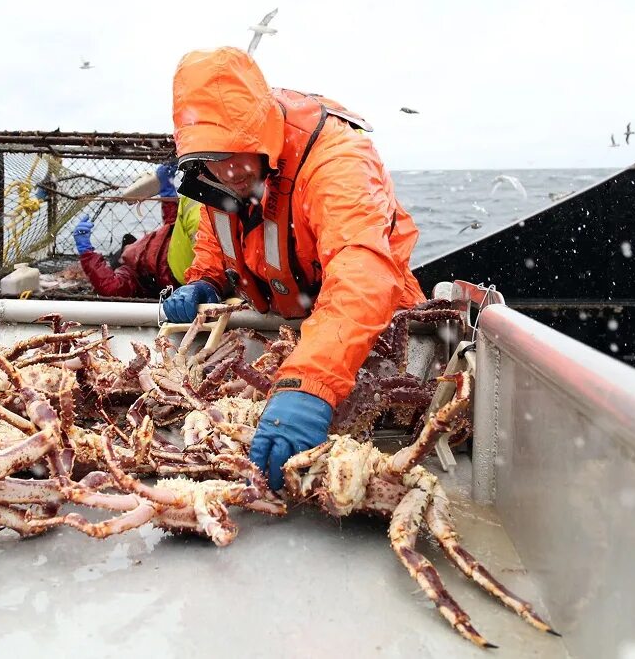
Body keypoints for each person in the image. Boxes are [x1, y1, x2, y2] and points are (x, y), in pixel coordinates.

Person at [161, 46, 424, 490]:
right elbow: (216, 233)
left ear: (262, 137)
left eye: (235, 157)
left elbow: (363, 269)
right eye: (211, 161)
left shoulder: (337, 160)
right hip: (285, 338)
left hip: (377, 342)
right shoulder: (219, 175)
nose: (226, 174)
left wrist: (313, 382)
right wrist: (204, 280)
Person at [72, 162, 201, 298]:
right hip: (182, 270)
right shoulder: (132, 272)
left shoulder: (148, 249)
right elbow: (111, 288)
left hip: (186, 247)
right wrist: (86, 252)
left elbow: (173, 224)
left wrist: (167, 191)